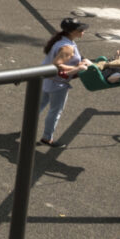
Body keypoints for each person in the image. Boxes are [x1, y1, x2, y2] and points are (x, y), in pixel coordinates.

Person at [39, 18, 94, 146]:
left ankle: (27, 128)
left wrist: (79, 63)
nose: (83, 31)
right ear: (73, 31)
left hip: (46, 79)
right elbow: (57, 65)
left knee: (39, 106)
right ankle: (47, 138)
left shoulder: (60, 39)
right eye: (81, 29)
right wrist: (77, 68)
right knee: (55, 111)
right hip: (57, 83)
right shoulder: (68, 48)